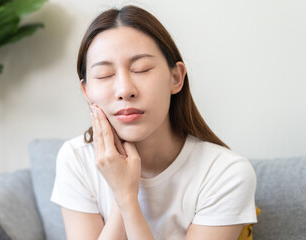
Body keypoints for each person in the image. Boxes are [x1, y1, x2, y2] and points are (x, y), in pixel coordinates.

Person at [51, 5, 258, 240]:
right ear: (87, 91)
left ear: (176, 78)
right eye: (105, 75)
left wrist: (127, 199)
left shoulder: (225, 173)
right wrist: (121, 194)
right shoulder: (76, 159)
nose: (124, 90)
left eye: (142, 69)